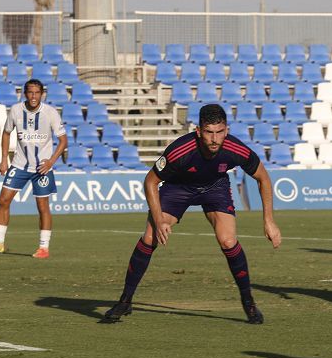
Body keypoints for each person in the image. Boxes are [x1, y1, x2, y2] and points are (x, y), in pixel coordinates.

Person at [101, 104, 281, 324]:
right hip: (178, 187)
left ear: (226, 130)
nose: (214, 139)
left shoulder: (236, 149)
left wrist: (269, 221)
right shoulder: (181, 150)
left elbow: (263, 177)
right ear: (198, 131)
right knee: (150, 236)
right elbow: (150, 181)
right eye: (209, 132)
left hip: (215, 188)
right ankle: (125, 300)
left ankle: (248, 302)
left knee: (228, 240)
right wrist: (158, 221)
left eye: (219, 132)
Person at [0, 79, 68, 259]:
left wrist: (51, 162)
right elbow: (6, 133)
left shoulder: (50, 113)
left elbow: (63, 141)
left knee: (42, 206)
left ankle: (43, 247)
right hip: (19, 165)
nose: (33, 96)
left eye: (37, 93)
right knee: (4, 200)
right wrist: (4, 159)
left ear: (42, 94)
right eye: (30, 92)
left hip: (42, 168)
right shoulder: (16, 110)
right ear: (25, 94)